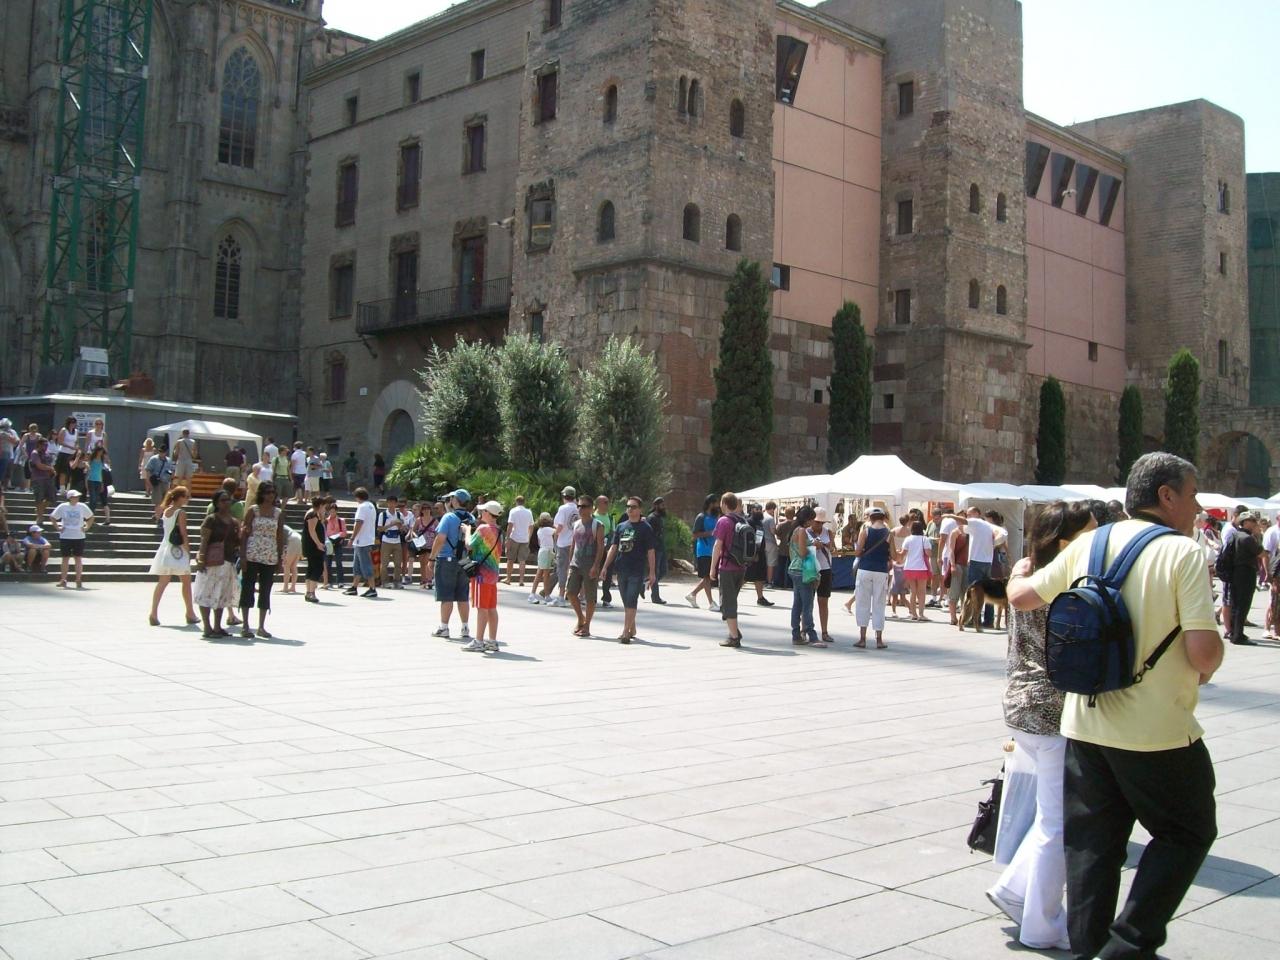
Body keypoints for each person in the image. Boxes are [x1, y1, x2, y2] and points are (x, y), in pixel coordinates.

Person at [1007, 452, 1222, 960]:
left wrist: (1017, 572)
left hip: (1084, 723)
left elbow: (1022, 598)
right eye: (1192, 495)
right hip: (1156, 730)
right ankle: (1127, 945)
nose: (1197, 506)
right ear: (1166, 495)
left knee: (1093, 843)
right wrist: (1211, 661)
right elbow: (1203, 653)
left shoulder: (1091, 542)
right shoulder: (1181, 552)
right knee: (1188, 830)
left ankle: (1089, 948)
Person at [986, 501, 1095, 952]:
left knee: (1053, 815)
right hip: (1051, 709)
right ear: (1065, 542)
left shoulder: (1027, 570)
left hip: (1022, 703)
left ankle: (1015, 888)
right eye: (1089, 533)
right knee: (1057, 822)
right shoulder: (1063, 582)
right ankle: (1041, 924)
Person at [600, 496, 657, 644]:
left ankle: (626, 632)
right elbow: (613, 548)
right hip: (621, 569)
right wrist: (605, 567)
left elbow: (651, 551)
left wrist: (652, 573)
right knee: (626, 600)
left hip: (637, 570)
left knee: (632, 599)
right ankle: (632, 627)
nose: (630, 509)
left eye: (633, 507)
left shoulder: (646, 528)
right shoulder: (621, 527)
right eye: (628, 506)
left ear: (640, 509)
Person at [239, 481, 286, 639]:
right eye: (267, 492)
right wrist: (242, 556)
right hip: (252, 553)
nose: (270, 495)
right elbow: (244, 533)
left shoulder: (278, 513)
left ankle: (261, 626)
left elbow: (280, 536)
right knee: (248, 587)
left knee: (265, 589)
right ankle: (245, 625)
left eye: (273, 492)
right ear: (261, 494)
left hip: (270, 555)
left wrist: (280, 558)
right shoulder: (253, 510)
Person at [427, 489, 475, 639]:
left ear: (455, 500)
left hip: (446, 559)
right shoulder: (471, 518)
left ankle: (444, 627)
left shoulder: (448, 517)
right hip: (465, 560)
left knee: (446, 595)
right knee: (462, 595)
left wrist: (432, 558)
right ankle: (465, 627)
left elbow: (440, 539)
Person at [847, 506, 897, 648]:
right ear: (883, 518)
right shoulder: (888, 533)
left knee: (862, 603)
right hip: (881, 570)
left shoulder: (865, 531)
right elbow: (894, 555)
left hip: (865, 569)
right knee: (879, 604)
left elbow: (857, 552)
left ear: (870, 518)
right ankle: (879, 639)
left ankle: (862, 638)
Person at [194, 490, 241, 638]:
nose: (226, 503)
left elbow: (237, 542)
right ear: (216, 503)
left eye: (228, 500)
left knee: (222, 595)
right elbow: (204, 540)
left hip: (228, 561)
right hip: (212, 561)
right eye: (223, 500)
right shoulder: (211, 519)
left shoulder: (234, 522)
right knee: (206, 593)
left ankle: (217, 626)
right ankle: (207, 627)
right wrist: (201, 558)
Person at [147, 486, 196, 622]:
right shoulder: (180, 513)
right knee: (186, 581)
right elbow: (183, 533)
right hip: (177, 550)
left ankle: (153, 613)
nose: (188, 499)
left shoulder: (166, 510)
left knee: (162, 582)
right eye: (186, 496)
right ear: (180, 497)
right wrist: (188, 551)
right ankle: (190, 613)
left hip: (165, 549)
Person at [709, 492, 748, 648]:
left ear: (724, 504)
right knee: (730, 600)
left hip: (727, 567)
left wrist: (712, 568)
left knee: (728, 602)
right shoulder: (742, 520)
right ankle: (735, 631)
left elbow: (718, 545)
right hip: (741, 567)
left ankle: (734, 637)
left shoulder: (723, 521)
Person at [464, 501, 504, 653]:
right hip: (493, 575)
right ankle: (492, 641)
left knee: (482, 608)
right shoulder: (499, 530)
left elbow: (469, 544)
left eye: (483, 511)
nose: (480, 514)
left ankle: (479, 641)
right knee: (491, 608)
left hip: (481, 575)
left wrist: (467, 531)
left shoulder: (483, 529)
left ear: (488, 513)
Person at [1221, 511, 1265, 645]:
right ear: (1245, 522)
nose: (1255, 524)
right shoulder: (1247, 538)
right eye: (1252, 521)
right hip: (1246, 572)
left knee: (1236, 604)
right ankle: (1238, 635)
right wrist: (1257, 535)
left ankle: (1234, 632)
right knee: (1243, 604)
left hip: (1235, 572)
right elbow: (1262, 553)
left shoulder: (1235, 535)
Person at [566, 496, 604, 637]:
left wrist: (596, 566)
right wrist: (570, 563)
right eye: (579, 506)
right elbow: (573, 544)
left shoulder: (597, 525)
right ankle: (580, 618)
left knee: (590, 597)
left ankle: (587, 625)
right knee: (570, 593)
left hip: (590, 565)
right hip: (576, 564)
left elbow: (601, 547)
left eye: (584, 506)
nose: (581, 509)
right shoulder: (576, 524)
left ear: (591, 508)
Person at [787, 505, 821, 646]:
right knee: (807, 604)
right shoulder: (801, 531)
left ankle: (796, 634)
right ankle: (812, 635)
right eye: (812, 519)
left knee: (798, 604)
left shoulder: (795, 530)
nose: (813, 522)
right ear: (807, 520)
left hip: (794, 569)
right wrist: (813, 546)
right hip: (802, 570)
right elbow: (802, 552)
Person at [50, 488, 94, 589]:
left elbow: (91, 517)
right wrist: (58, 527)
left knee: (78, 558)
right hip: (66, 535)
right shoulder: (63, 506)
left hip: (79, 536)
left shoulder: (82, 506)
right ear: (70, 498)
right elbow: (53, 517)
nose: (76, 498)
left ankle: (78, 579)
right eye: (74, 497)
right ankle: (63, 579)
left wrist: (87, 527)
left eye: (77, 497)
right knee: (65, 558)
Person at [687, 494, 720, 610]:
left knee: (709, 577)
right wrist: (710, 533)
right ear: (711, 503)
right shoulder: (701, 517)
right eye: (716, 503)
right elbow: (694, 535)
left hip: (713, 550)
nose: (718, 505)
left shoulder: (716, 517)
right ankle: (711, 603)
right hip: (703, 550)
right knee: (707, 577)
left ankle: (692, 594)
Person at [346, 487, 377, 598]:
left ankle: (372, 588)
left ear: (357, 497)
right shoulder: (371, 506)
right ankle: (354, 587)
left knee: (366, 565)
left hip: (362, 540)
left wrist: (352, 538)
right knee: (357, 565)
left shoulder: (362, 507)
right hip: (367, 539)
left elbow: (359, 523)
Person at [551, 485, 579, 607]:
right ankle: (573, 594)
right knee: (574, 569)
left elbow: (560, 526)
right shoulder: (578, 508)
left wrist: (554, 533)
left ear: (564, 496)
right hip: (575, 542)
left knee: (562, 569)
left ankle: (561, 596)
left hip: (563, 543)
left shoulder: (563, 508)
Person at [812, 507, 836, 642]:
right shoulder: (806, 532)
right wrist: (813, 545)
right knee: (807, 602)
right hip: (811, 569)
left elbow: (833, 548)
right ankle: (805, 629)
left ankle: (825, 631)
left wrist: (827, 545)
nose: (819, 525)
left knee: (823, 601)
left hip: (825, 568)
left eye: (822, 522)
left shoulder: (828, 532)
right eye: (817, 522)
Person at [901, 519, 932, 621]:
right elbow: (928, 553)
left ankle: (913, 614)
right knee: (922, 592)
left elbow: (903, 553)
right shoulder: (925, 539)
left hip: (909, 567)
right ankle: (921, 614)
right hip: (921, 567)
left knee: (913, 591)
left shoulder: (908, 539)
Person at [377, 494, 408, 588]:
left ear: (396, 504)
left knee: (398, 563)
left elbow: (404, 529)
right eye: (390, 502)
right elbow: (379, 528)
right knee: (384, 563)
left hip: (397, 540)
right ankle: (384, 581)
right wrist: (391, 524)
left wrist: (400, 526)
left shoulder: (399, 515)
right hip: (386, 540)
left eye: (393, 503)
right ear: (387, 503)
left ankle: (397, 582)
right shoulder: (383, 515)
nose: (391, 504)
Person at [504, 494, 534, 586]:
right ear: (524, 502)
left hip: (514, 537)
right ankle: (521, 580)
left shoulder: (513, 511)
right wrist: (529, 537)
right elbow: (531, 526)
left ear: (516, 502)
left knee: (510, 559)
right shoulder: (529, 512)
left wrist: (507, 538)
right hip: (525, 538)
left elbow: (510, 525)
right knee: (522, 560)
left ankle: (508, 579)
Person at [301, 495, 326, 603]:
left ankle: (309, 592)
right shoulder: (313, 515)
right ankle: (311, 592)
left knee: (311, 567)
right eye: (324, 506)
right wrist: (318, 543)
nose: (325, 508)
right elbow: (312, 531)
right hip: (313, 546)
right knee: (318, 567)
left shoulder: (314, 514)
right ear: (320, 505)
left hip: (311, 545)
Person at [645, 497, 669, 604]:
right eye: (662, 505)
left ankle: (644, 584)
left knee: (663, 571)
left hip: (661, 548)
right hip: (654, 549)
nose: (664, 507)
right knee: (655, 571)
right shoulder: (651, 518)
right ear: (656, 506)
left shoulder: (660, 518)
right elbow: (648, 535)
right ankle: (655, 597)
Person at [947, 519, 971, 626]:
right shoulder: (955, 532)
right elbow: (951, 550)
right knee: (954, 592)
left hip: (967, 565)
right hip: (957, 564)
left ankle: (963, 617)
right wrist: (952, 565)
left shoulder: (970, 532)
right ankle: (953, 618)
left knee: (965, 593)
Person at [29, 437, 56, 523]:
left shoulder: (47, 453)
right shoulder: (35, 453)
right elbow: (39, 465)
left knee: (51, 498)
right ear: (39, 444)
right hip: (38, 478)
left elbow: (50, 464)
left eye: (47, 445)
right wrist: (50, 468)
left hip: (48, 478)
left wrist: (52, 470)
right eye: (44, 445)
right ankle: (39, 517)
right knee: (39, 498)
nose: (46, 446)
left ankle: (39, 510)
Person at [529, 513, 556, 603]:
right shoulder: (547, 529)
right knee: (545, 575)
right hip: (546, 552)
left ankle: (534, 594)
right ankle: (546, 596)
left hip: (543, 551)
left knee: (540, 574)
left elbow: (539, 542)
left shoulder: (540, 530)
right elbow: (558, 531)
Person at [324, 497, 347, 589]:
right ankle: (329, 581)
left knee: (338, 561)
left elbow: (344, 532)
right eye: (331, 511)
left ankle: (340, 581)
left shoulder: (341, 521)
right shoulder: (326, 521)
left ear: (336, 511)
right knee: (328, 562)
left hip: (338, 541)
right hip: (329, 542)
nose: (332, 513)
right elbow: (324, 532)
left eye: (334, 511)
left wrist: (340, 536)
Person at [144, 446, 174, 514]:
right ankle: (157, 516)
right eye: (160, 451)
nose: (161, 453)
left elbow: (172, 471)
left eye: (163, 452)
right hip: (157, 483)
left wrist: (172, 481)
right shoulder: (154, 459)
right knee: (158, 502)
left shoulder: (169, 460)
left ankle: (161, 515)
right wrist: (149, 483)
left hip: (166, 482)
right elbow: (148, 470)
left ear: (165, 452)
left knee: (166, 501)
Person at [86, 446, 110, 526]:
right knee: (92, 499)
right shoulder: (91, 459)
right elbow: (87, 466)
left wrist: (102, 483)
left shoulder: (102, 460)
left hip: (99, 481)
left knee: (95, 500)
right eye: (100, 451)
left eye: (102, 452)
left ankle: (91, 517)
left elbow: (101, 472)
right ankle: (89, 517)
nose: (100, 453)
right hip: (91, 480)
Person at [54, 416, 78, 492]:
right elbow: (60, 442)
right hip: (64, 453)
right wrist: (70, 447)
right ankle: (62, 488)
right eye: (71, 422)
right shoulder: (64, 430)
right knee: (63, 472)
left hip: (72, 454)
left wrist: (76, 447)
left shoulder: (76, 431)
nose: (73, 424)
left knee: (70, 472)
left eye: (74, 422)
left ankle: (68, 488)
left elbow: (76, 441)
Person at [762, 500, 779, 588]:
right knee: (770, 563)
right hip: (770, 543)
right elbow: (773, 531)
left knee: (763, 563)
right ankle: (769, 582)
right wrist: (777, 531)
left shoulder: (761, 516)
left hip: (761, 542)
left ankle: (763, 580)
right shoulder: (770, 519)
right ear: (772, 509)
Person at [281, 525, 303, 593]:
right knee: (293, 566)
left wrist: (284, 554)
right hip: (299, 538)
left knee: (286, 565)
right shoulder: (284, 526)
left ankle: (285, 587)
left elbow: (282, 541)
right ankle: (293, 587)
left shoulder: (278, 526)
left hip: (292, 539)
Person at [0, 418, 18, 490]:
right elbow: (14, 441)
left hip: (9, 454)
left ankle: (5, 487)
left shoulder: (11, 432)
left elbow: (17, 441)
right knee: (2, 471)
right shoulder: (2, 433)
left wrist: (9, 437)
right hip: (4, 453)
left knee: (7, 472)